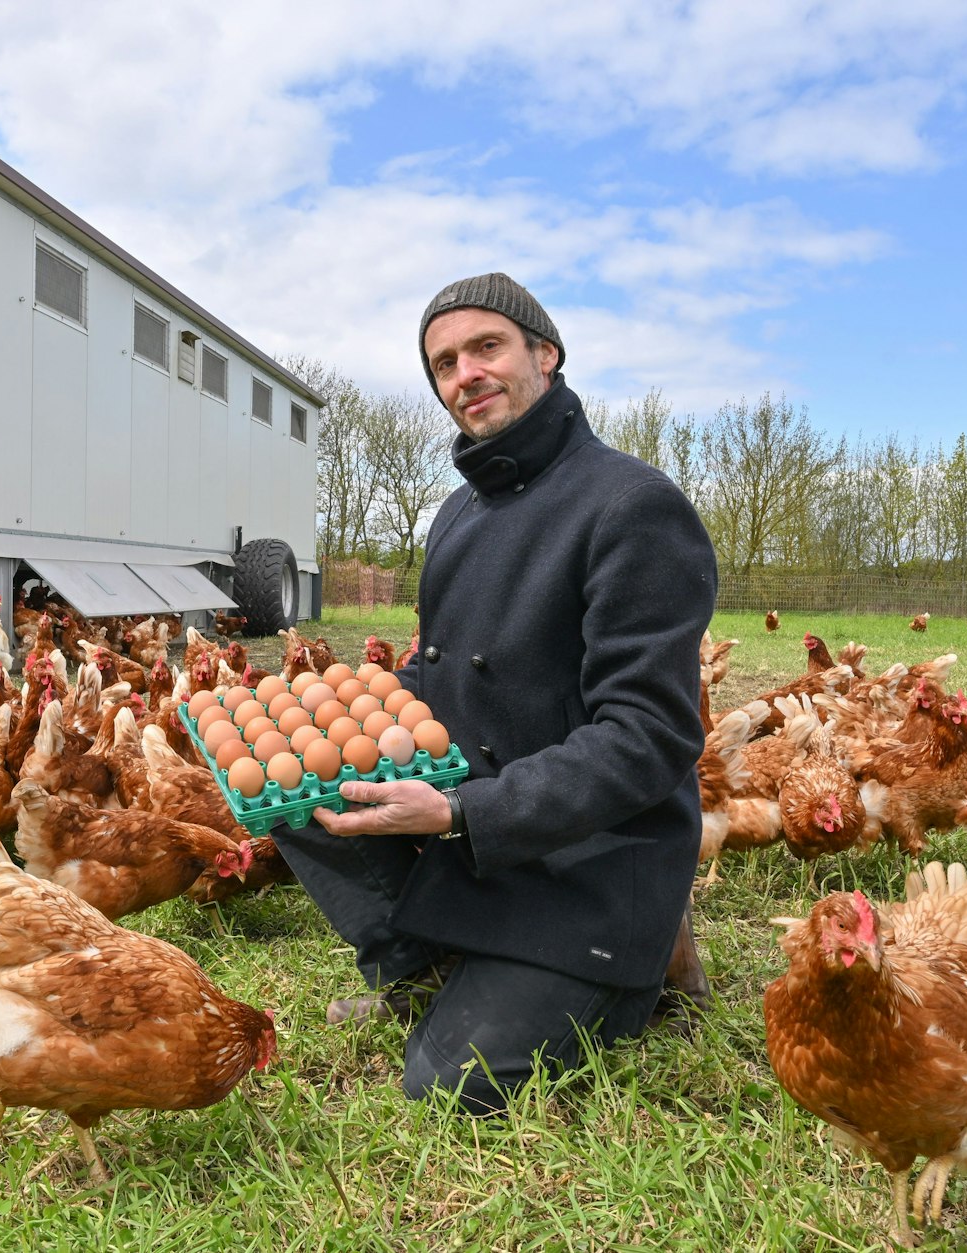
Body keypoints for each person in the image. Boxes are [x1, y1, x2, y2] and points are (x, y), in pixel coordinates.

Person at [272, 273, 717, 1113]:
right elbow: (440, 675)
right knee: (294, 788)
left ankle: (640, 971)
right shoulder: (456, 515)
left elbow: (649, 737)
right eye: (444, 363)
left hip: (591, 860)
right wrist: (326, 708)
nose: (464, 373)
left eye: (487, 347)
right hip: (483, 834)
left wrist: (459, 812)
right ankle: (430, 963)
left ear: (544, 355)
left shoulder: (631, 505)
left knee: (446, 1084)